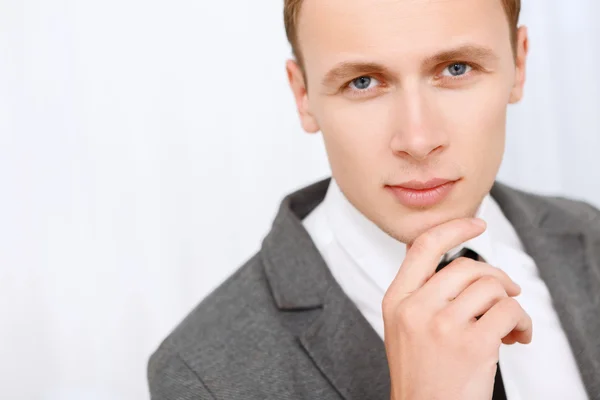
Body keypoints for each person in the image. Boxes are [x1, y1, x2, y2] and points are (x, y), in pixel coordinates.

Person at [148, 0, 600, 398]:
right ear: (302, 95)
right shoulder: (200, 374)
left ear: (519, 64)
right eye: (363, 82)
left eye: (456, 68)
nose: (418, 140)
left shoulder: (591, 234)